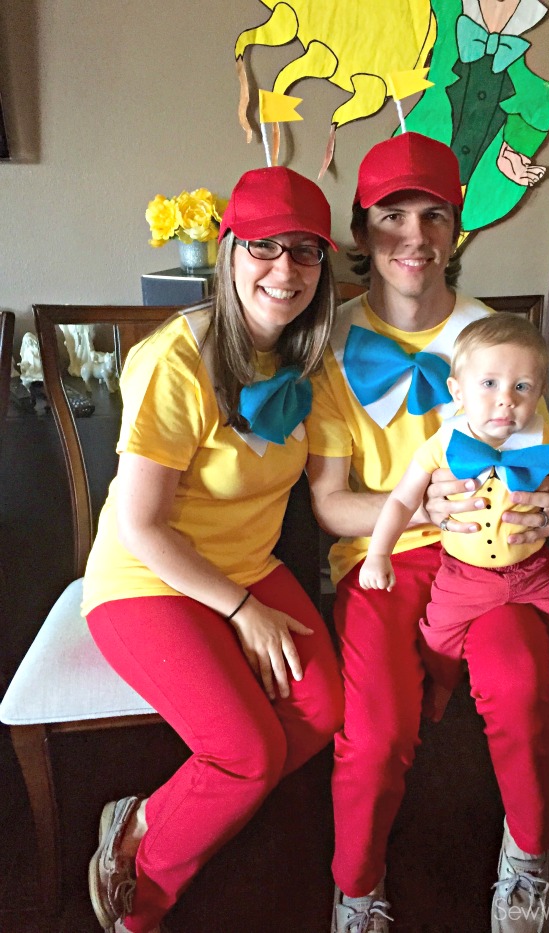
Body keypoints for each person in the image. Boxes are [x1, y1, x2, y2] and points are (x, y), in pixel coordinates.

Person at [306, 131, 549, 933]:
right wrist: (421, 510)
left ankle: (527, 858)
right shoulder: (334, 343)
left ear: (455, 232)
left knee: (523, 688)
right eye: (392, 216)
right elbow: (329, 501)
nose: (413, 236)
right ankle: (357, 887)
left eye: (433, 216)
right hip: (381, 561)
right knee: (377, 731)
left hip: (495, 566)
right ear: (361, 233)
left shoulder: (499, 338)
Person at [83, 165, 345, 933]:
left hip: (247, 564)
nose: (285, 269)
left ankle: (148, 819)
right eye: (264, 247)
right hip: (148, 576)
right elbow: (141, 525)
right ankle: (145, 888)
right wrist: (243, 611)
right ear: (229, 250)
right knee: (251, 753)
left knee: (325, 708)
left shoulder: (307, 357)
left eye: (305, 251)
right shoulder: (176, 358)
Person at [359, 313, 549, 725]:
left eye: (522, 387)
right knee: (437, 637)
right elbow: (400, 500)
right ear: (457, 390)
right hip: (463, 575)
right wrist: (378, 553)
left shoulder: (546, 439)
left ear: (540, 392)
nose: (507, 399)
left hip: (532, 568)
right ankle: (443, 682)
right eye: (489, 384)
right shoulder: (445, 441)